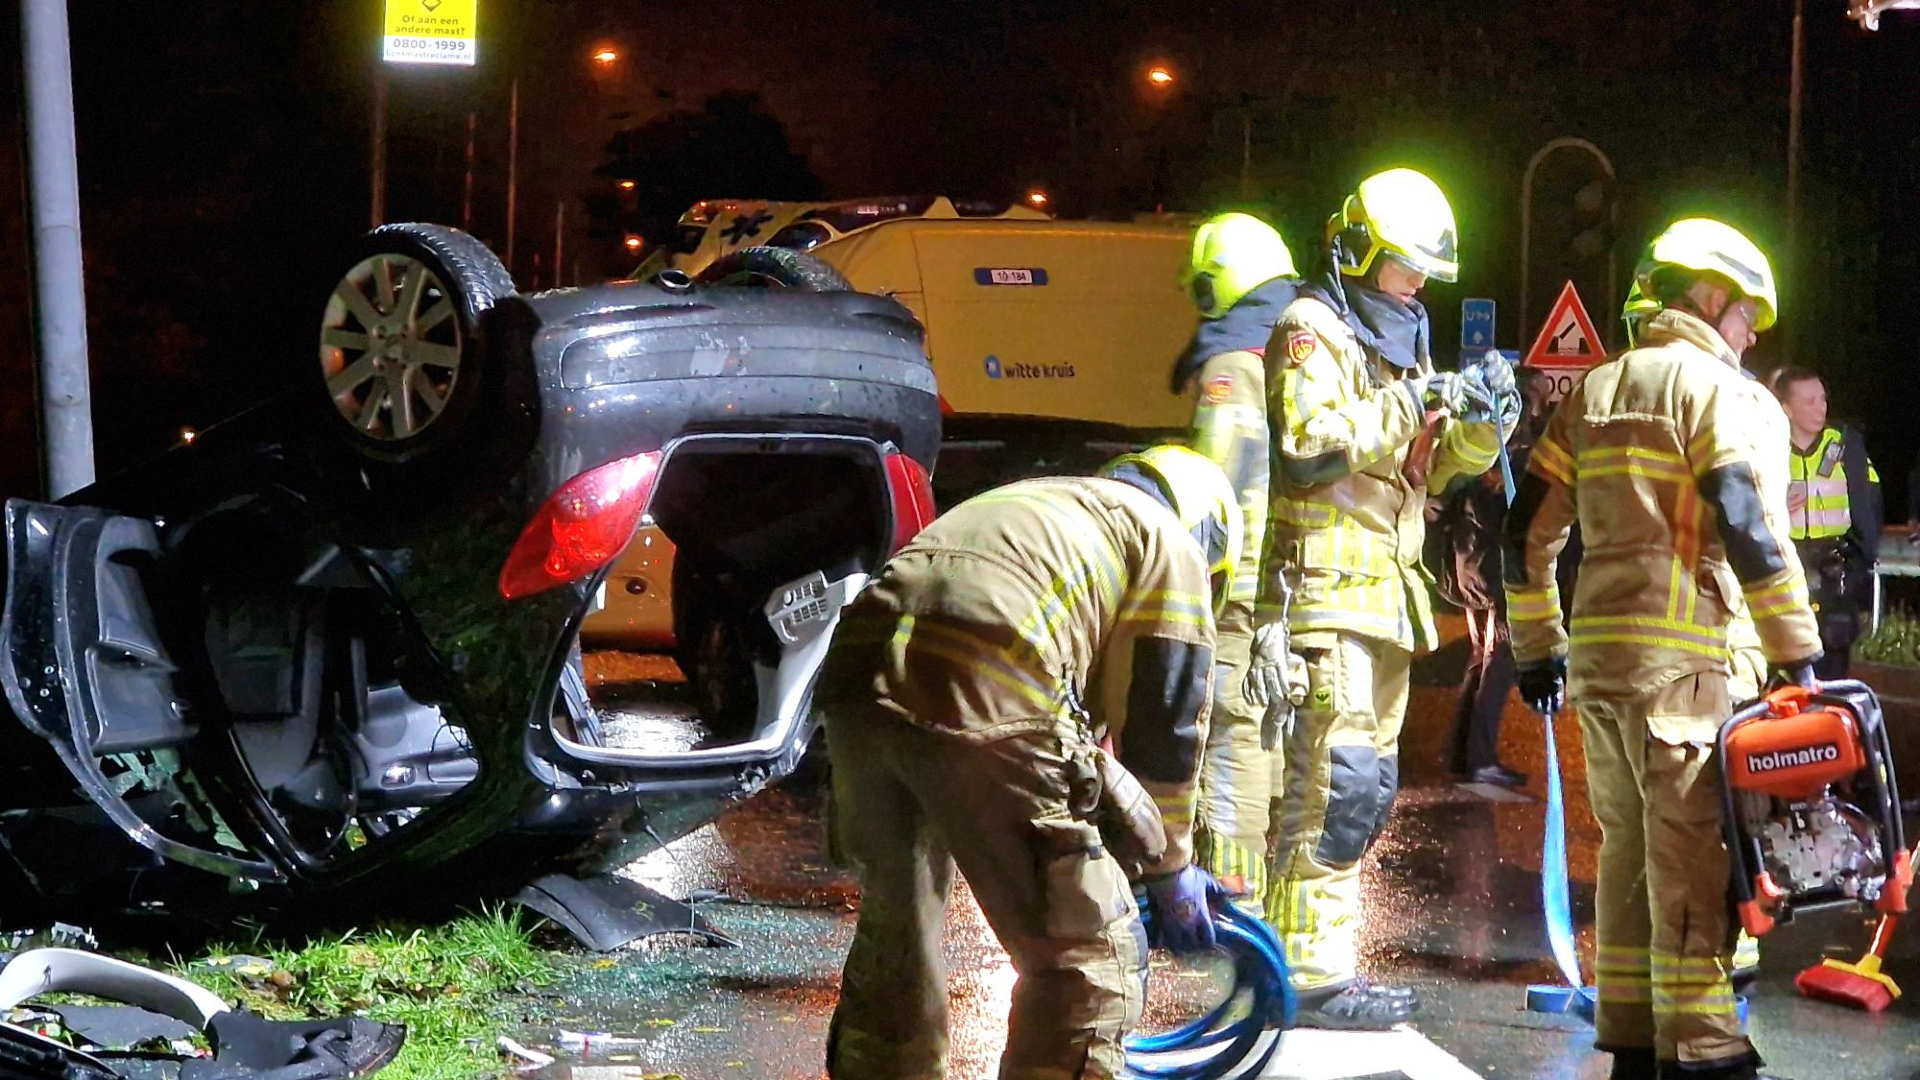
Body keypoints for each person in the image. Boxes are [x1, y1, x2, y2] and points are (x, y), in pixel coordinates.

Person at [1505, 217, 1820, 1080]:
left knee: (1629, 856)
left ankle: (1633, 1032)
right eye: (1749, 317)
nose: (1752, 336)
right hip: (1686, 674)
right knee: (1693, 863)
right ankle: (1705, 1050)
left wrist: (1539, 647)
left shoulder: (1594, 391)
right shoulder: (1713, 393)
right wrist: (1800, 658)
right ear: (1711, 297)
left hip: (1601, 673)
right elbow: (1748, 528)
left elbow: (1522, 535)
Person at [816, 444, 1241, 1080]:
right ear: (1208, 535)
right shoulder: (1168, 543)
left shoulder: (1041, 504)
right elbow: (1166, 725)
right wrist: (1170, 865)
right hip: (988, 672)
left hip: (858, 677)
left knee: (897, 934)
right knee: (1089, 958)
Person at [1249, 167, 1516, 1028]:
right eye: (1403, 268)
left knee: (1361, 791)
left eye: (1425, 277)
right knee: (1331, 788)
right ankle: (1307, 978)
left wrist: (1480, 425)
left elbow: (1428, 472)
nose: (1414, 288)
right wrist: (1411, 398)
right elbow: (1309, 446)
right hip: (1324, 600)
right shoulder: (1311, 328)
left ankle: (1317, 967)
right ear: (1361, 249)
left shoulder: (1400, 345)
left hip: (1381, 604)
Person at [1170, 212, 1306, 907]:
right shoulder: (1297, 349)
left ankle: (1230, 901)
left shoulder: (1232, 365)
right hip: (1295, 585)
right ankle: (1263, 902)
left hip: (1237, 597)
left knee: (1231, 738)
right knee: (1271, 745)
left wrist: (1199, 594)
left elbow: (1220, 490)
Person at [1439, 368, 1554, 789]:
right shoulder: (1520, 456)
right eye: (1541, 393)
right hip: (1499, 570)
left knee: (1481, 659)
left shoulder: (1489, 445)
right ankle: (1480, 758)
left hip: (1471, 566)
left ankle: (1462, 752)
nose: (1548, 399)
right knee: (1501, 661)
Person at [1772, 368, 1881, 678]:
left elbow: (1870, 504)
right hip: (1785, 569)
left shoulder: (1845, 448)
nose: (1821, 408)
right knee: (1782, 670)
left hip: (1836, 574)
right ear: (1786, 408)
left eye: (1822, 399)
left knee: (1832, 670)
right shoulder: (1767, 449)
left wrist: (1861, 565)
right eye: (1810, 402)